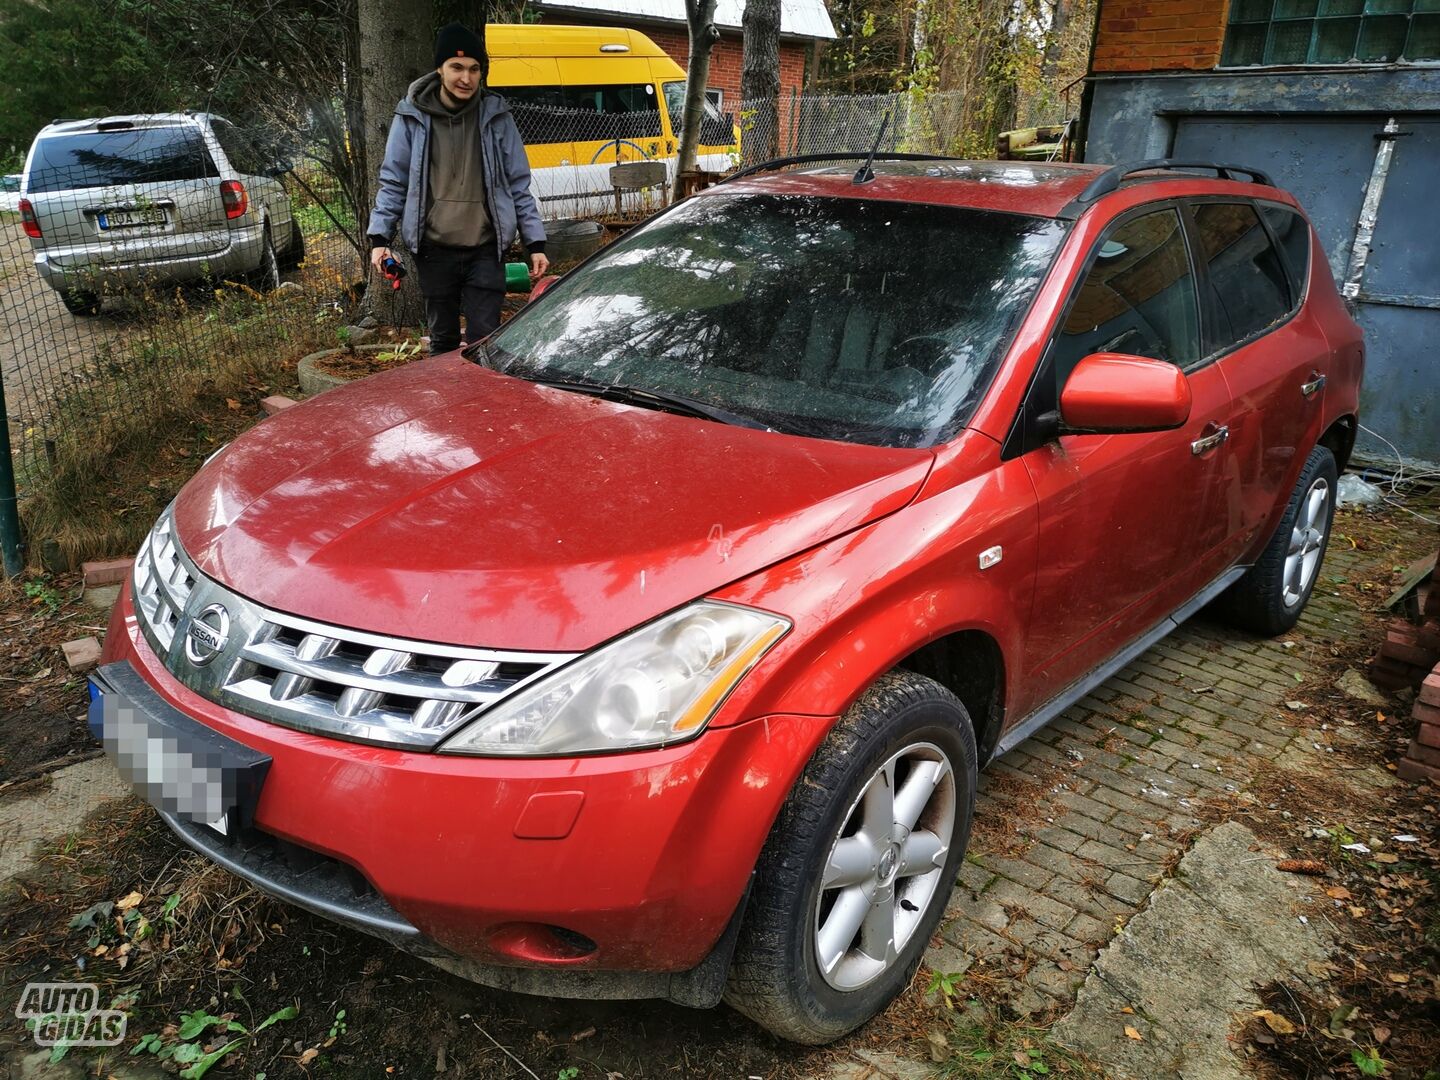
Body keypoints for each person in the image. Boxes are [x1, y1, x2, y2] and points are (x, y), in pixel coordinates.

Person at [367, 22, 549, 352]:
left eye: (474, 69)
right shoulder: (411, 116)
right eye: (456, 67)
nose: (466, 78)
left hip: (485, 248)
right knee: (444, 342)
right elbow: (394, 180)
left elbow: (518, 183)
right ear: (440, 69)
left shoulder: (496, 116)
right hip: (434, 249)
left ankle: (482, 405)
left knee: (484, 342)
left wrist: (534, 241)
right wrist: (380, 239)